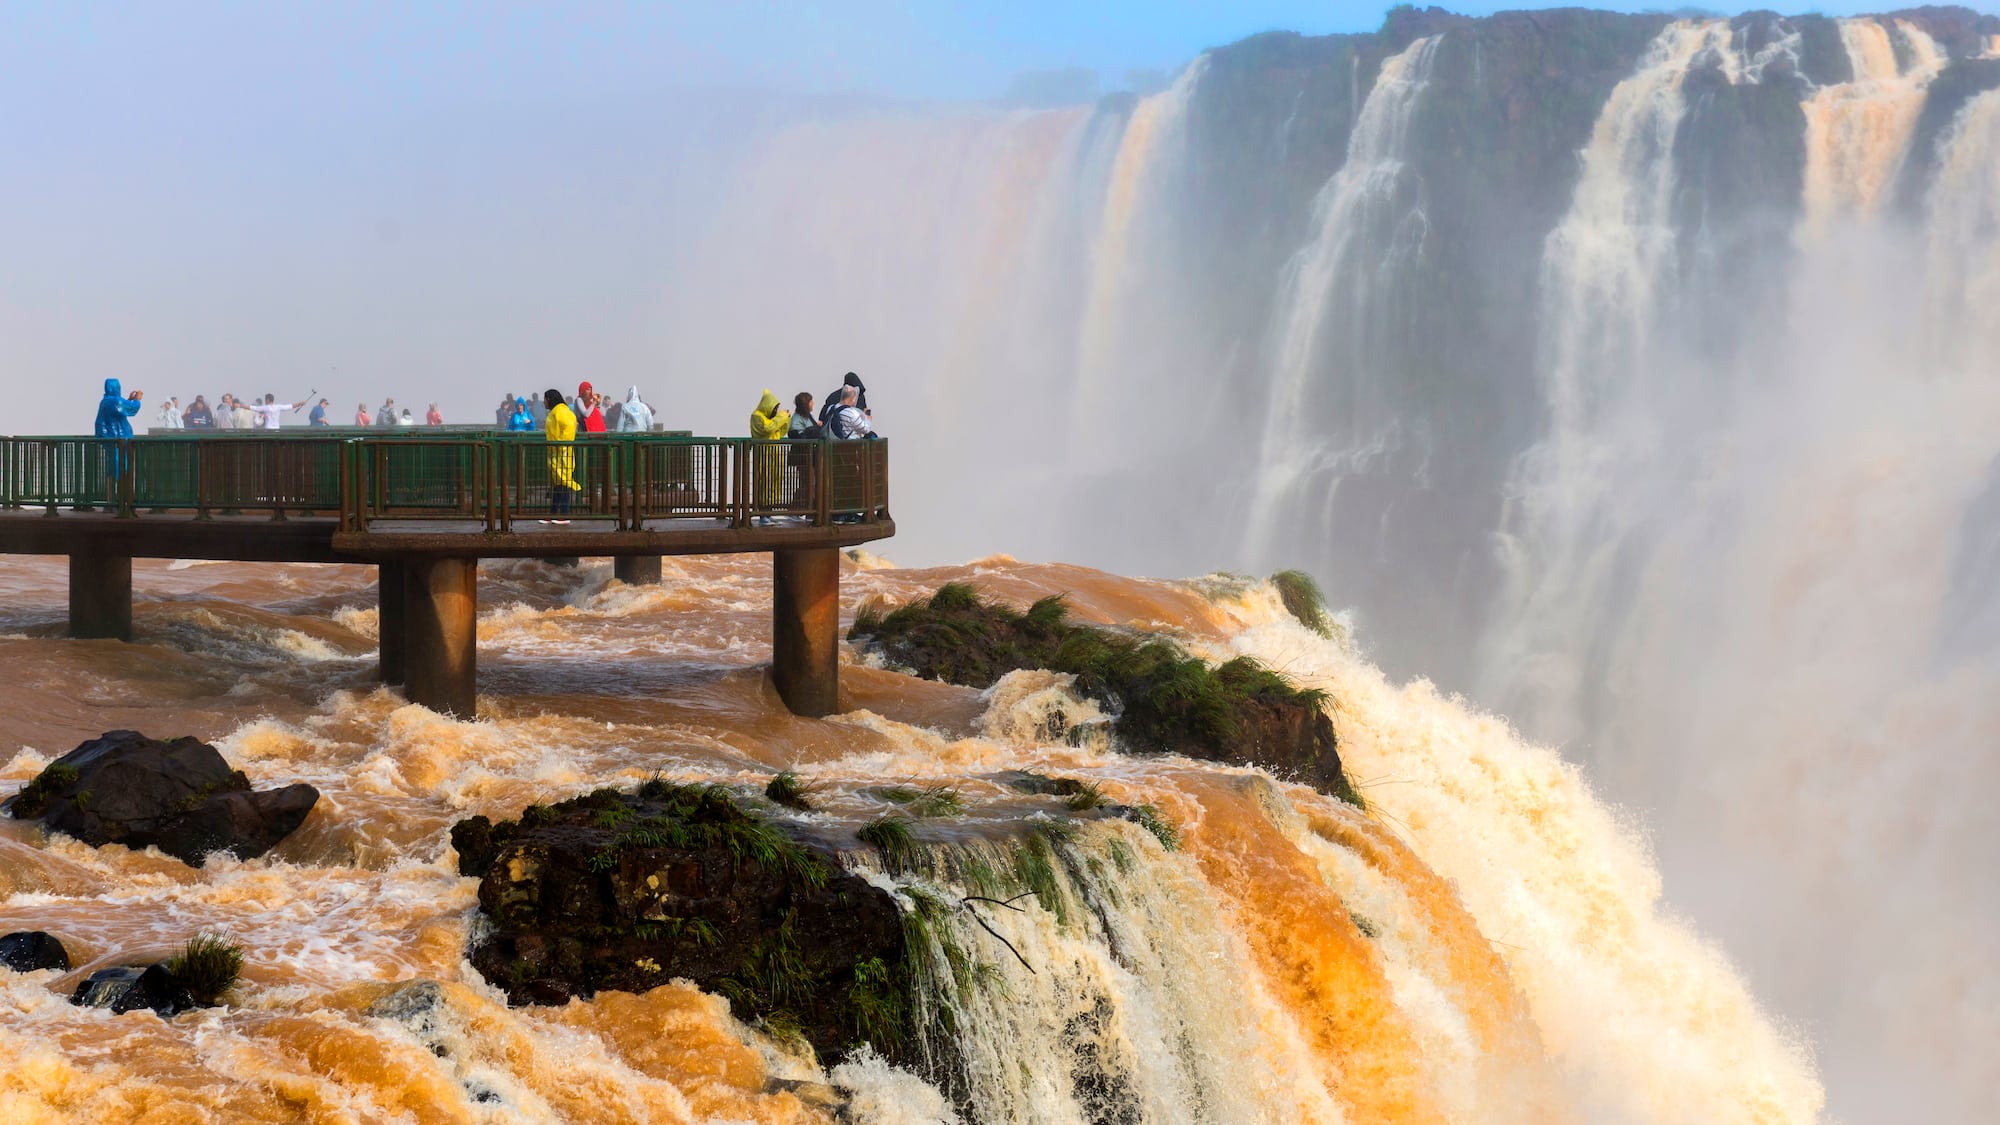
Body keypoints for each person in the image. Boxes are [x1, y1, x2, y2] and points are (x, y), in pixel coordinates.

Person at [749, 390, 791, 523]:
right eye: (774, 408)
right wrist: (781, 417)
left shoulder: (771, 419)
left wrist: (786, 420)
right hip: (764, 455)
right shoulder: (757, 416)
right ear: (768, 405)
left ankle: (769, 512)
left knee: (774, 484)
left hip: (775, 456)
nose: (775, 411)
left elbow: (781, 432)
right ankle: (763, 514)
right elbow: (768, 428)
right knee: (764, 484)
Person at [94, 378, 143, 489]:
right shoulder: (116, 401)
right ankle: (122, 497)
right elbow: (132, 409)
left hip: (110, 441)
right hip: (120, 441)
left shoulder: (105, 401)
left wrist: (129, 399)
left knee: (111, 469)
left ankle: (110, 499)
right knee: (121, 468)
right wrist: (137, 400)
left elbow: (119, 409)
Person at [542, 388, 578, 525]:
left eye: (545, 399)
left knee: (563, 485)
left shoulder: (560, 412)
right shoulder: (559, 411)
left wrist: (560, 445)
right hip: (558, 454)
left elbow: (566, 430)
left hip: (562, 454)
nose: (544, 402)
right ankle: (554, 514)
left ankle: (564, 514)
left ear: (549, 399)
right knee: (558, 486)